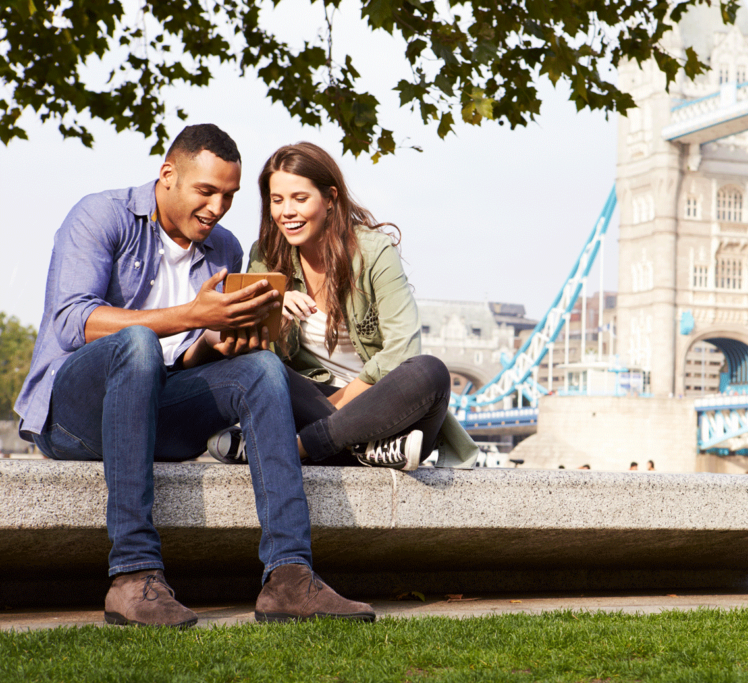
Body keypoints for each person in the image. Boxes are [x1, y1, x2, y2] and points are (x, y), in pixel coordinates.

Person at [14, 125, 374, 628]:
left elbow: (180, 359)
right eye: (205, 191)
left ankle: (289, 576)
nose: (217, 207)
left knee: (261, 368)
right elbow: (75, 322)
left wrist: (213, 343)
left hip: (155, 408)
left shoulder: (224, 249)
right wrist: (193, 315)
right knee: (136, 343)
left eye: (228, 195)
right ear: (168, 175)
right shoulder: (100, 215)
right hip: (74, 418)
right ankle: (133, 576)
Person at [226, 142, 476, 470]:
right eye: (277, 200)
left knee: (430, 371)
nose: (286, 211)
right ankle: (369, 450)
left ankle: (297, 447)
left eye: (300, 198)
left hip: (386, 411)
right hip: (311, 403)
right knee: (256, 365)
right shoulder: (266, 254)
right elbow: (253, 351)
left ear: (330, 199)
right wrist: (273, 306)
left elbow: (402, 349)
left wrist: (342, 413)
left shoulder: (373, 252)